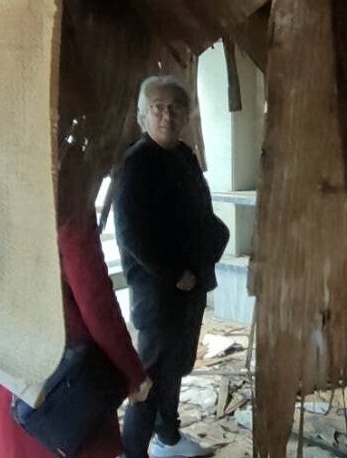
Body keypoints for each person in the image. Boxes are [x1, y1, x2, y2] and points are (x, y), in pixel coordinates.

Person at [0, 175, 151, 458]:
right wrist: (132, 372)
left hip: (4, 370)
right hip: (64, 379)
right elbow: (94, 297)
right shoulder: (63, 192)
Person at [114, 75, 230, 458]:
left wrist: (216, 242)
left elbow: (202, 213)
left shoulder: (184, 156)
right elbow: (132, 234)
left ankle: (168, 437)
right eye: (158, 108)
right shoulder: (136, 163)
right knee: (150, 376)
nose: (167, 115)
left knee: (175, 367)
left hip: (191, 283)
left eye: (175, 108)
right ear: (143, 115)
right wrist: (175, 274)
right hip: (159, 290)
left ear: (186, 115)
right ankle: (132, 450)